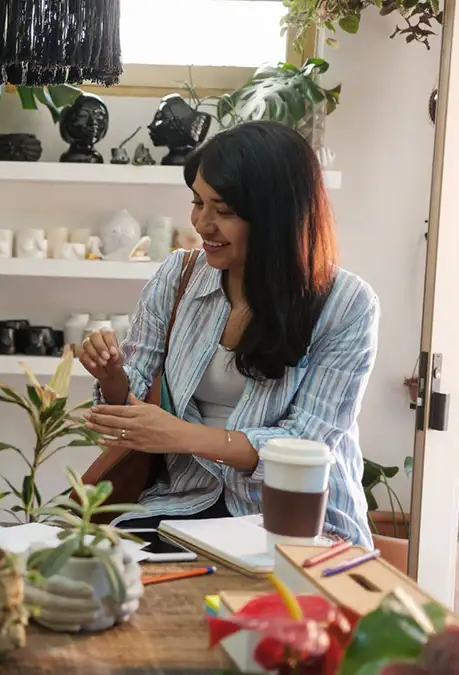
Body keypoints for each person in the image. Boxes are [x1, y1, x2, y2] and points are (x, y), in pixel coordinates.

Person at [77, 121, 377, 547]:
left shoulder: (345, 304)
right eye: (198, 203)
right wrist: (110, 376)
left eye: (224, 211)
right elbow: (128, 408)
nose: (202, 223)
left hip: (298, 519)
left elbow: (308, 444)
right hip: (184, 504)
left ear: (277, 217)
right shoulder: (177, 278)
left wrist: (180, 435)